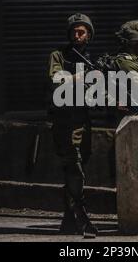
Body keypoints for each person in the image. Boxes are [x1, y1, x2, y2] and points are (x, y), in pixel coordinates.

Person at [48, 13, 98, 238]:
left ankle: (69, 221)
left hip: (83, 121)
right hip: (64, 121)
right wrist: (82, 76)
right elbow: (56, 79)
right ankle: (80, 216)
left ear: (89, 35)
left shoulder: (91, 58)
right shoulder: (58, 55)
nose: (77, 36)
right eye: (74, 32)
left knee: (77, 169)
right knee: (74, 167)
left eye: (82, 32)